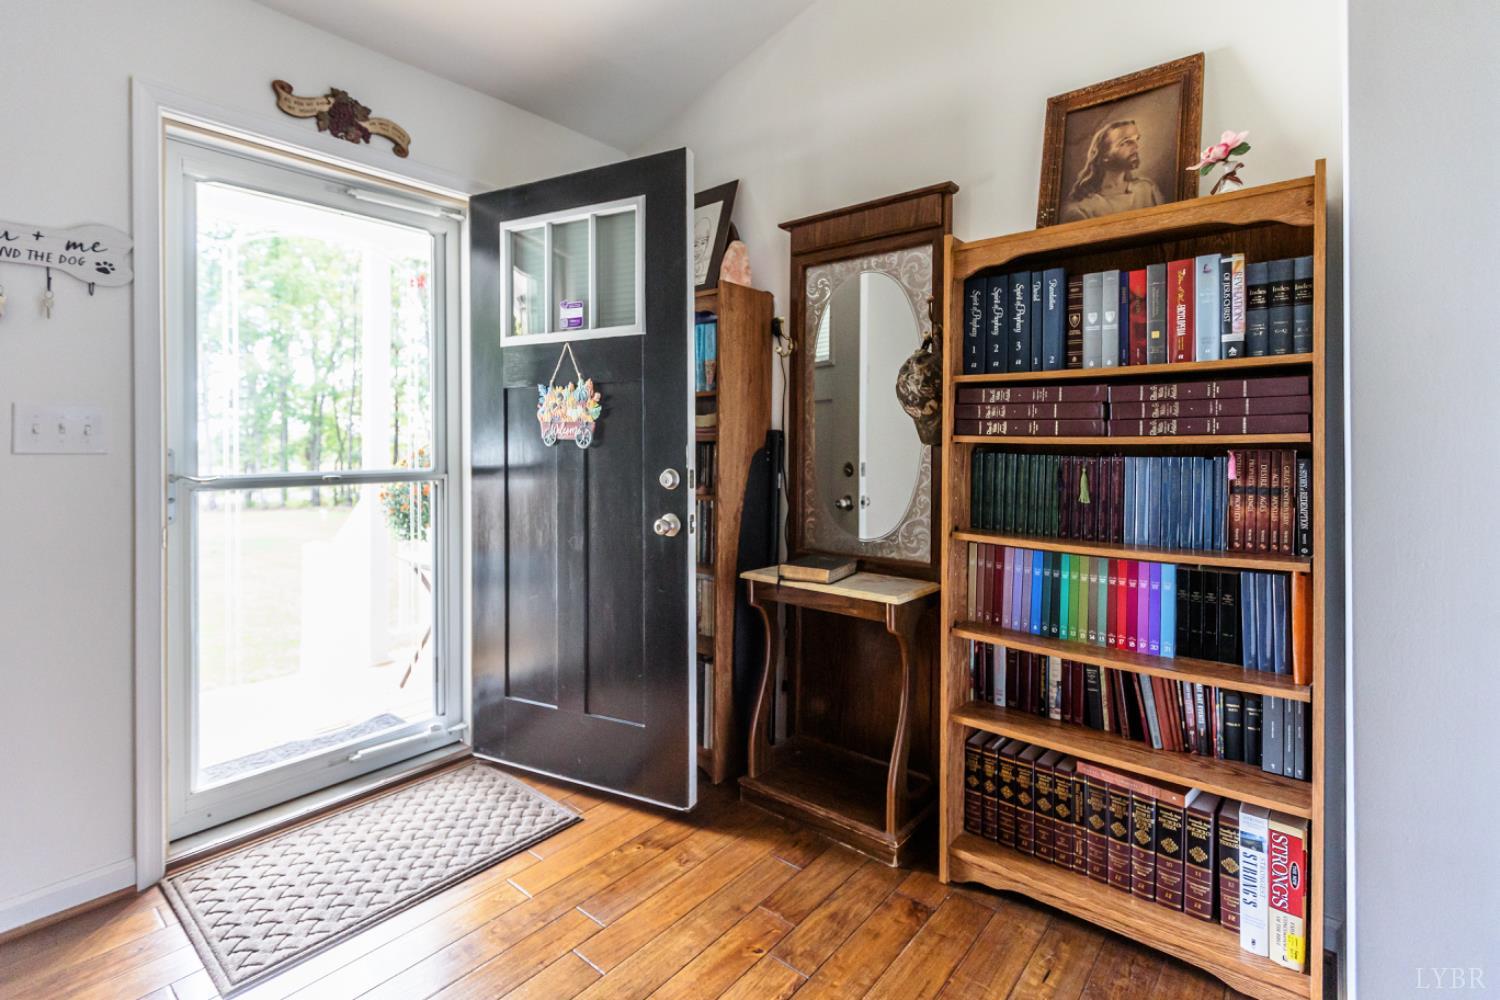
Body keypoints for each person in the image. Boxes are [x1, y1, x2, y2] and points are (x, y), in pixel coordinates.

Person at [1060, 119, 1163, 222]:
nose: (1136, 147)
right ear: (1104, 155)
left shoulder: (1147, 190)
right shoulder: (1081, 208)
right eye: (1126, 142)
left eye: (1136, 140)